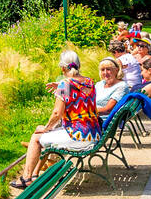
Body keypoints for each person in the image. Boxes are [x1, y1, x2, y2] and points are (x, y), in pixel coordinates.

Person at [11, 50, 100, 189]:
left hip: (77, 136)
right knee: (39, 133)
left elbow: (57, 113)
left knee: (36, 137)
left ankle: (26, 178)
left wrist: (47, 128)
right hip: (93, 134)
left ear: (63, 68)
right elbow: (80, 92)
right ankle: (34, 172)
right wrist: (61, 87)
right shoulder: (89, 81)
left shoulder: (66, 84)